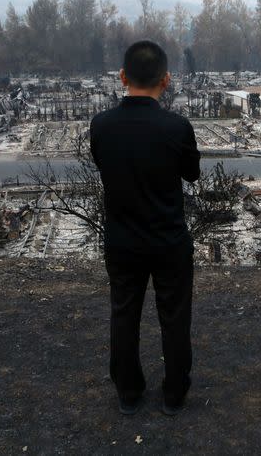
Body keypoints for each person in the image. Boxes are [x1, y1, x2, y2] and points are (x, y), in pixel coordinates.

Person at [90, 40, 200, 416]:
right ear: (166, 80)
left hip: (122, 239)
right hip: (168, 238)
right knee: (174, 317)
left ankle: (128, 390)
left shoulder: (101, 126)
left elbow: (103, 165)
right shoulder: (177, 127)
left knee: (124, 313)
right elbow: (193, 174)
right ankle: (174, 392)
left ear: (122, 77)